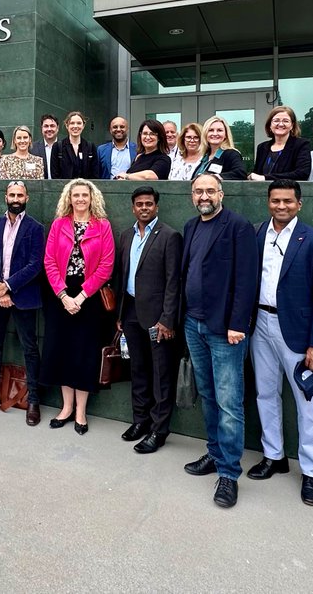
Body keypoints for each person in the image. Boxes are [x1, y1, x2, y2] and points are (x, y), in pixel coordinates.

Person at [247, 181, 313, 506]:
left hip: (299, 333)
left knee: (307, 401)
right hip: (260, 324)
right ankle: (274, 456)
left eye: (287, 201)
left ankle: (312, 473)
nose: (281, 206)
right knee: (266, 393)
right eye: (275, 200)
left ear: (299, 203)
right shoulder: (258, 234)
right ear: (268, 202)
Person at [180, 173, 259, 508]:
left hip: (225, 329)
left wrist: (238, 323)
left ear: (221, 193)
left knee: (229, 402)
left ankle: (228, 473)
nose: (204, 196)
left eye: (210, 190)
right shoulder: (191, 226)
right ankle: (214, 453)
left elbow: (247, 278)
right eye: (198, 191)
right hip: (193, 324)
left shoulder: (238, 226)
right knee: (209, 395)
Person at [41, 179, 115, 434]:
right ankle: (66, 408)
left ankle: (81, 412)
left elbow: (106, 266)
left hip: (89, 297)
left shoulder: (102, 226)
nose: (81, 199)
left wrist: (81, 297)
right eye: (76, 195)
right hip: (60, 295)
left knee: (84, 354)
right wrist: (63, 296)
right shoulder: (59, 224)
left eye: (85, 195)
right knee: (61, 351)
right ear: (69, 199)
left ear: (92, 198)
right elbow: (49, 260)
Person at [0, 181, 45, 427]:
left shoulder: (35, 228)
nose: (16, 198)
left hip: (22, 297)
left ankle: (33, 400)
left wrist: (9, 286)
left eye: (20, 195)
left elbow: (35, 264)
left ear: (27, 198)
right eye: (12, 194)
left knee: (30, 348)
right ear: (5, 197)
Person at [115, 185, 182, 454]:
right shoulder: (125, 236)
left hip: (158, 318)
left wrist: (167, 319)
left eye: (149, 204)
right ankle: (140, 421)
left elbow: (173, 282)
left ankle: (159, 429)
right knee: (138, 370)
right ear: (133, 208)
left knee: (160, 374)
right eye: (139, 204)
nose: (144, 208)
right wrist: (119, 316)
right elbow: (122, 277)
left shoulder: (169, 236)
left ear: (156, 206)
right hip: (130, 312)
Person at [249, 106, 312, 181]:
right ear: (270, 125)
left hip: (288, 191)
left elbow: (302, 174)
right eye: (276, 121)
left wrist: (265, 178)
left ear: (292, 125)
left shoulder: (301, 145)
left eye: (286, 121)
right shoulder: (262, 147)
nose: (281, 124)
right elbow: (257, 173)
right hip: (263, 191)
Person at [192, 116, 247, 180]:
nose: (215, 133)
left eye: (219, 130)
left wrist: (215, 177)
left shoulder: (231, 154)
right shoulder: (205, 157)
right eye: (211, 130)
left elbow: (240, 173)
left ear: (225, 134)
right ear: (205, 134)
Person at [54, 111, 98, 180]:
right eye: (72, 123)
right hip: (64, 189)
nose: (75, 126)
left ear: (83, 126)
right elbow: (55, 175)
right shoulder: (58, 147)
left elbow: (95, 175)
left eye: (79, 123)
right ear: (66, 125)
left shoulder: (90, 147)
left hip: (85, 189)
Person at [29, 114, 60, 179]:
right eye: (46, 126)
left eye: (52, 126)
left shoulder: (65, 147)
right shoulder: (32, 148)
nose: (49, 129)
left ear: (57, 128)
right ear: (42, 128)